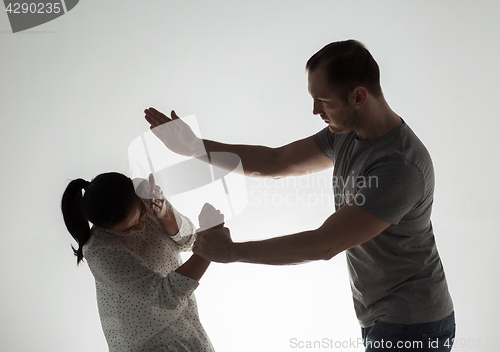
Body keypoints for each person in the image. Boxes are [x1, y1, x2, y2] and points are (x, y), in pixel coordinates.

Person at [144, 39, 455, 351]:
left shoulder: (399, 166)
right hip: (382, 317)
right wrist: (194, 148)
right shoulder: (348, 133)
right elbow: (278, 161)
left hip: (413, 324)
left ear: (358, 96)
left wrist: (232, 251)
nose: (315, 110)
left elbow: (324, 244)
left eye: (323, 100)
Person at [61, 172, 223, 352]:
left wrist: (165, 214)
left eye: (141, 214)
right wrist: (211, 243)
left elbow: (188, 241)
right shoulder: (100, 250)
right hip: (147, 343)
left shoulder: (145, 193)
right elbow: (164, 294)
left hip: (186, 324)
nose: (141, 226)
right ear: (106, 228)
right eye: (128, 228)